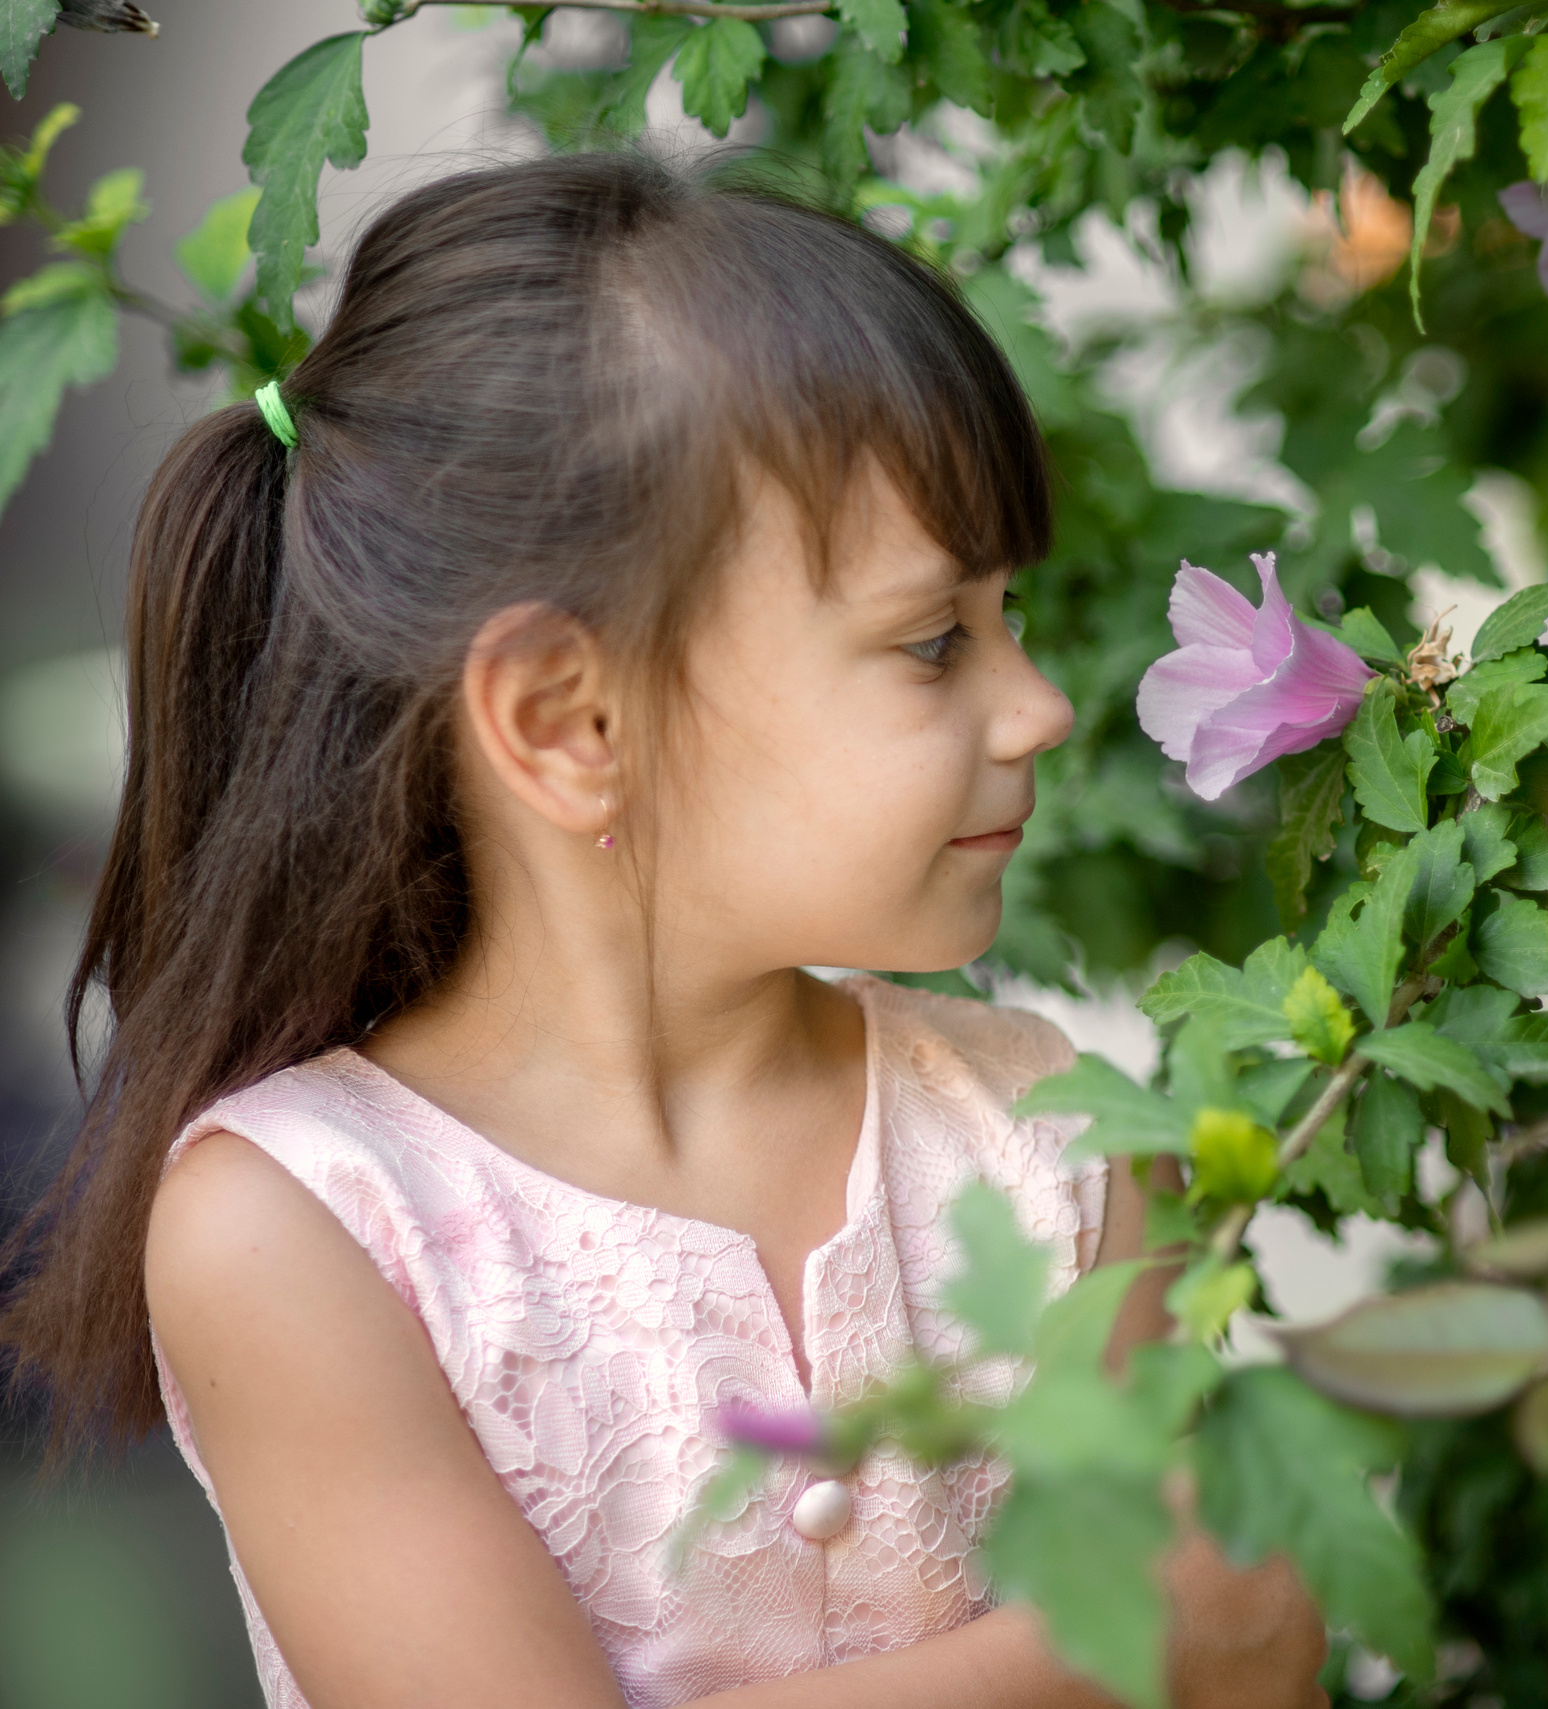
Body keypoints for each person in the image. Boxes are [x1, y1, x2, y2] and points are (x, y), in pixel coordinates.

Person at [0, 153, 1324, 1709]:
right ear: (569, 720)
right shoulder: (306, 1226)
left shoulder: (1048, 1133)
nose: (1035, 704)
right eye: (929, 641)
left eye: (1008, 620)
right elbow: (1203, 1631)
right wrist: (1115, 1658)